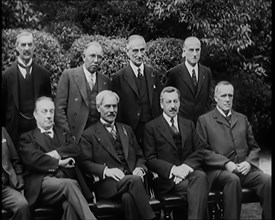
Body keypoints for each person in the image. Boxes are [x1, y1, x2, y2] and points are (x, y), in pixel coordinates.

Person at [196, 81, 271, 219]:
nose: (227, 99)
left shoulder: (242, 119)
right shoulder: (204, 120)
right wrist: (225, 163)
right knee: (233, 180)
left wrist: (249, 163)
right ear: (215, 97)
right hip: (219, 171)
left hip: (245, 169)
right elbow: (202, 151)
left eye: (230, 95)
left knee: (268, 181)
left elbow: (255, 147)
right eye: (223, 95)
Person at [78, 90, 156, 220]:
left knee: (128, 198)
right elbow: (85, 163)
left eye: (114, 106)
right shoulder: (89, 134)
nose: (112, 110)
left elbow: (140, 156)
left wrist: (140, 168)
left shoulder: (127, 130)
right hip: (108, 185)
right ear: (98, 108)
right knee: (134, 181)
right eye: (107, 106)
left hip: (131, 183)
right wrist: (106, 171)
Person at [18, 96, 97, 220]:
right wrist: (60, 162)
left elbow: (77, 149)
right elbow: (33, 159)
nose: (49, 115)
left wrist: (56, 153)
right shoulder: (27, 138)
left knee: (70, 206)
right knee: (69, 184)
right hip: (42, 185)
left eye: (51, 111)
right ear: (35, 114)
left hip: (66, 185)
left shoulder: (63, 133)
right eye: (44, 111)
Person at [143, 86, 209, 220]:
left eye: (176, 101)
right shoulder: (151, 127)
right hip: (167, 180)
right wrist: (173, 170)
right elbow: (150, 159)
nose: (173, 106)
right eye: (169, 102)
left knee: (200, 176)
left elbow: (201, 150)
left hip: (188, 174)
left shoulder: (188, 124)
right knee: (199, 188)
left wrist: (184, 168)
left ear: (179, 102)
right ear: (162, 104)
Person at [55, 41, 112, 142]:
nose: (96, 60)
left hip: (98, 137)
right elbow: (59, 110)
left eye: (99, 57)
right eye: (92, 56)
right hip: (75, 135)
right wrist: (67, 135)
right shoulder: (69, 75)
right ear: (83, 57)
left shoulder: (105, 81)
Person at [2, 30, 51, 146]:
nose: (27, 48)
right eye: (23, 45)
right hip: (13, 133)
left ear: (34, 47)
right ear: (17, 48)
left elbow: (48, 104)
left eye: (30, 44)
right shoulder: (6, 76)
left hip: (38, 134)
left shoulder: (44, 74)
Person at [112, 34, 162, 147]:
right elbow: (117, 110)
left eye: (142, 50)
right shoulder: (119, 77)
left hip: (152, 130)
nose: (139, 55)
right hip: (130, 131)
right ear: (127, 52)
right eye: (135, 51)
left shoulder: (153, 74)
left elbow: (158, 104)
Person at [165, 36, 212, 123]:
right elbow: (167, 100)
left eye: (197, 50)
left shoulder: (206, 72)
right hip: (181, 123)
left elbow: (208, 99)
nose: (195, 54)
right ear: (184, 51)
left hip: (201, 124)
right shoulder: (174, 73)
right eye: (191, 50)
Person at [2, 127, 31, 220]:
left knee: (22, 205)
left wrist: (20, 183)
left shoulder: (2, 131)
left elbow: (15, 160)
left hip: (4, 188)